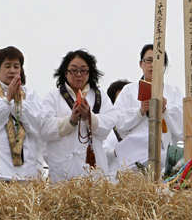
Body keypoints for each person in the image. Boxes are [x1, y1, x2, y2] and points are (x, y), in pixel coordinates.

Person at [40, 49, 118, 181]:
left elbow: (109, 122)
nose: (78, 75)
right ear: (65, 72)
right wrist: (71, 121)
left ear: (89, 73)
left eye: (83, 70)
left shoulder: (100, 97)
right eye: (73, 70)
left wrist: (89, 117)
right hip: (62, 165)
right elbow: (45, 129)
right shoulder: (53, 97)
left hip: (93, 165)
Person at [0, 46, 45, 181]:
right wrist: (7, 99)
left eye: (16, 66)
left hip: (26, 168)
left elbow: (38, 125)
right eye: (7, 66)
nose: (12, 70)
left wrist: (19, 103)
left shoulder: (30, 94)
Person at [113, 44, 183, 172]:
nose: (152, 65)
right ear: (141, 64)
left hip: (164, 157)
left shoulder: (173, 91)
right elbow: (118, 123)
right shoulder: (129, 90)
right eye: (148, 60)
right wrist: (139, 112)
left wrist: (165, 111)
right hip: (133, 158)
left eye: (158, 61)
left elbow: (183, 130)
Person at [104, 79, 131, 176]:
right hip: (113, 180)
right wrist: (115, 152)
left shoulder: (141, 125)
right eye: (120, 98)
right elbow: (98, 153)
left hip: (138, 180)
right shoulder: (106, 126)